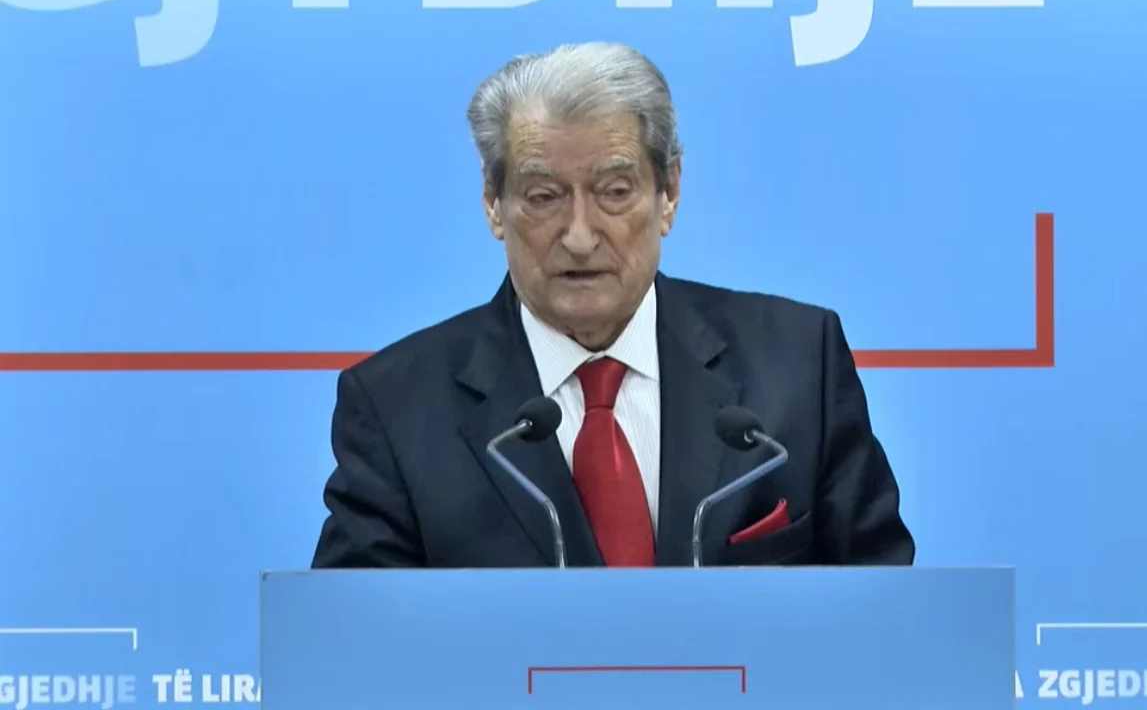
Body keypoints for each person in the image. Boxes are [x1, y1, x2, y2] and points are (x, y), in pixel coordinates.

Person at [311, 41, 914, 569]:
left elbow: (885, 613)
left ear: (669, 191)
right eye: (543, 196)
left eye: (614, 192)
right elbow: (355, 641)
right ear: (494, 203)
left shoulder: (797, 367)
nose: (579, 235)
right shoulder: (396, 409)